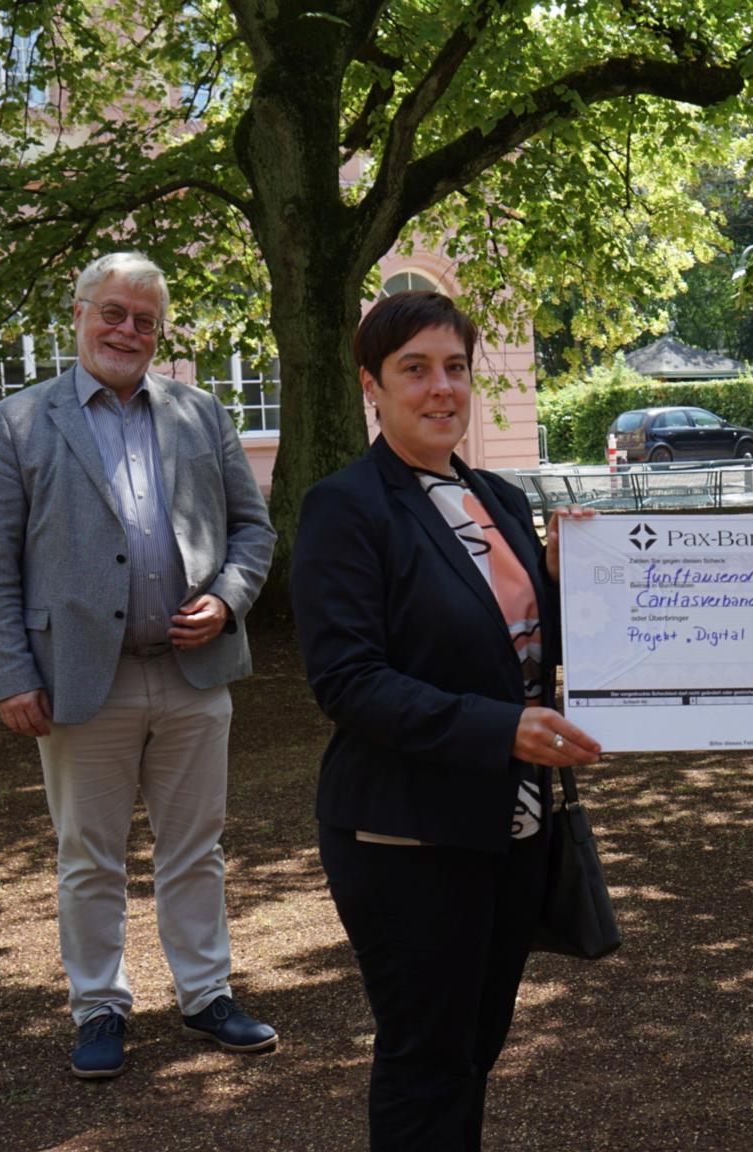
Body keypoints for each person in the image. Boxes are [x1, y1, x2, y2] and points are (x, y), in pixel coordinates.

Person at [291, 290, 602, 1150]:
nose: (441, 389)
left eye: (456, 368)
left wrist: (570, 577)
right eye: (415, 370)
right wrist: (501, 729)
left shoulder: (498, 497)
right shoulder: (346, 508)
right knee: (426, 1058)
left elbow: (526, 651)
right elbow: (348, 682)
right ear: (372, 386)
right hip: (406, 836)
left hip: (513, 824)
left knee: (475, 1050)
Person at [0, 252, 278, 1079]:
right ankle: (99, 1005)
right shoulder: (20, 422)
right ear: (77, 314)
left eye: (144, 319)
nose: (127, 331)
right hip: (77, 677)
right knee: (88, 854)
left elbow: (254, 532)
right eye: (112, 312)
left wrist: (228, 600)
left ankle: (207, 994)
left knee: (196, 846)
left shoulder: (200, 413)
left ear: (159, 331)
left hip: (193, 673)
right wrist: (11, 674)